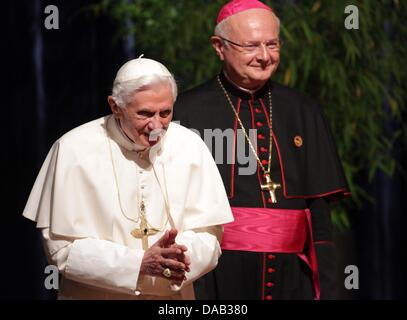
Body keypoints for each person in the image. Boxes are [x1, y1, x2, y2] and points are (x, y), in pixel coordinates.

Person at [174, 0, 350, 300]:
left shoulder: (304, 111)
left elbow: (320, 219)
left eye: (273, 44)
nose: (265, 56)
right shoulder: (186, 112)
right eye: (251, 46)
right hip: (216, 278)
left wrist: (328, 289)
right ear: (219, 46)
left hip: (294, 279)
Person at [22, 57, 234, 300]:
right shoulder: (72, 149)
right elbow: (61, 249)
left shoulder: (190, 146)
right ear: (115, 106)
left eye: (165, 113)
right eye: (145, 114)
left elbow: (209, 234)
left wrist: (181, 258)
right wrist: (137, 264)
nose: (157, 125)